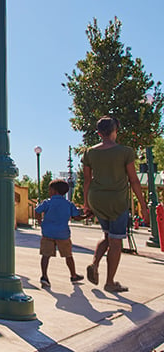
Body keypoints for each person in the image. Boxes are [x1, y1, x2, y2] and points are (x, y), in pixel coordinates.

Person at [82, 116, 149, 293]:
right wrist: (142, 205)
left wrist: (86, 204)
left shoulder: (89, 153)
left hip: (97, 199)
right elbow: (134, 180)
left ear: (98, 133)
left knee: (107, 236)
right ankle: (110, 282)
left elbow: (87, 180)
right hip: (117, 200)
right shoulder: (126, 152)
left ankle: (95, 264)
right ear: (115, 131)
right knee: (116, 240)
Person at [35, 179, 87, 288]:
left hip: (48, 233)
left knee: (45, 256)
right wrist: (87, 216)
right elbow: (76, 217)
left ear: (53, 191)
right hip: (63, 234)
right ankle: (73, 275)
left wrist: (41, 222)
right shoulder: (68, 204)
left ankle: (44, 276)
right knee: (68, 255)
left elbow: (37, 211)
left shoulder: (47, 202)